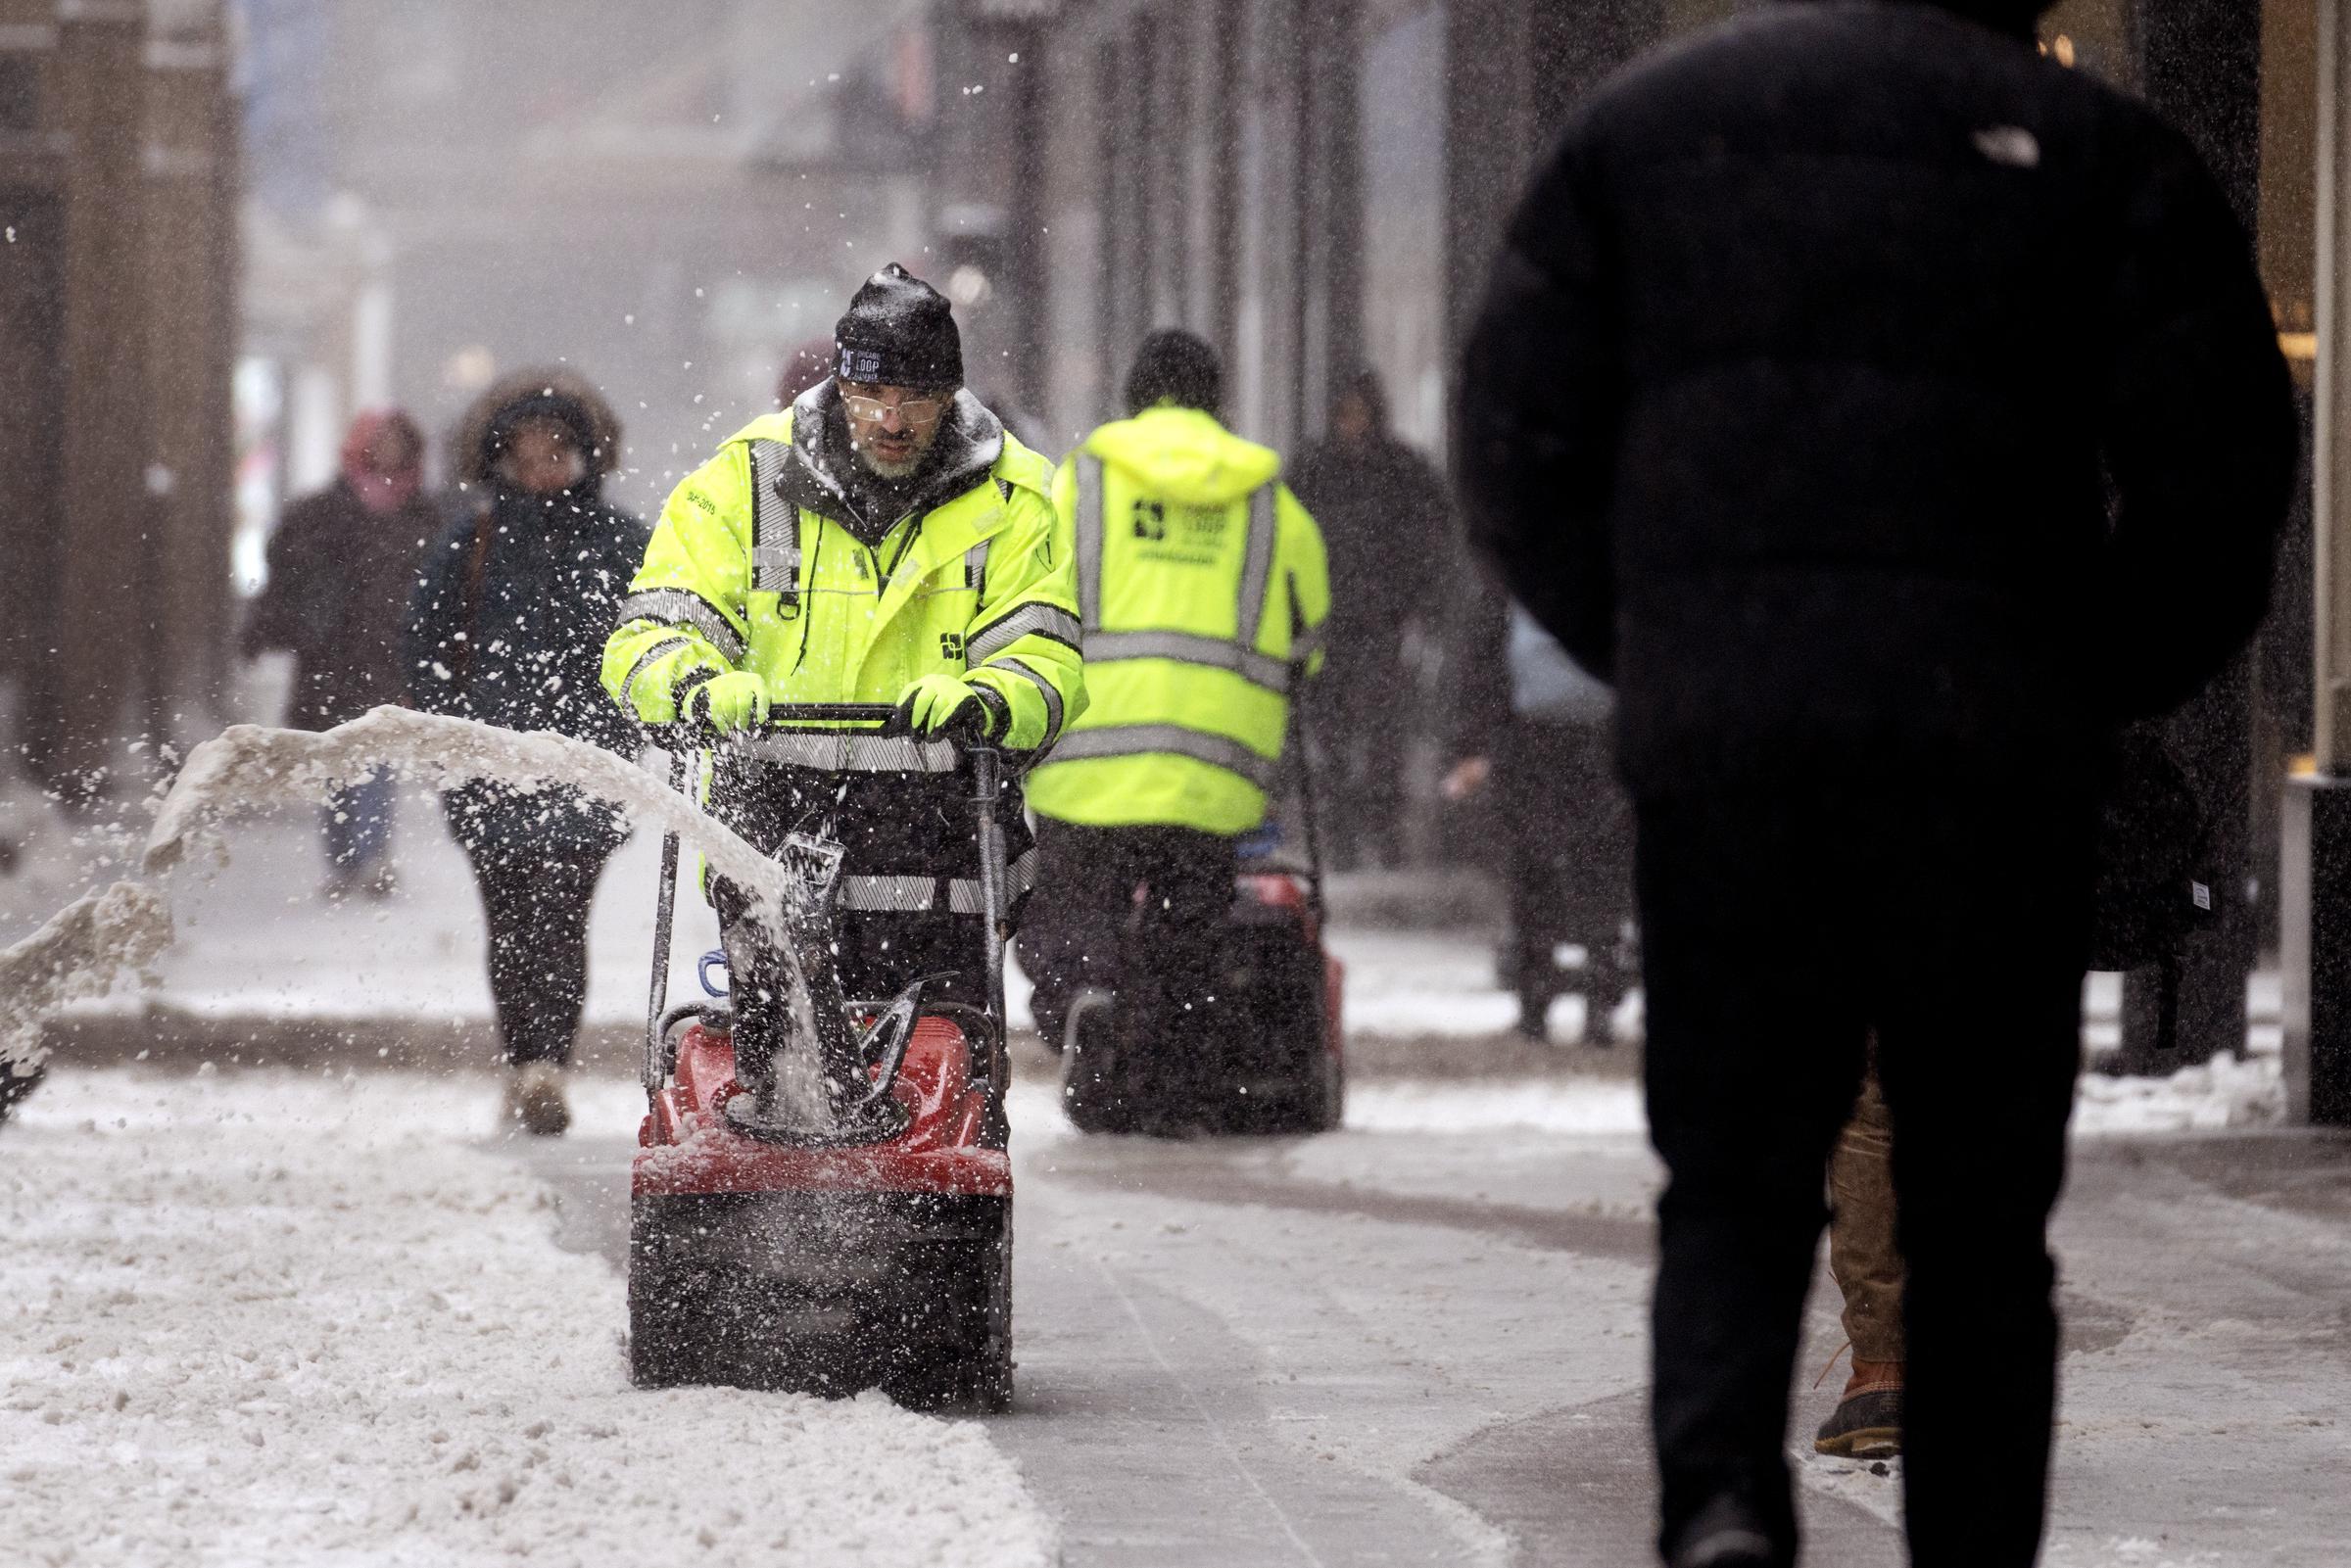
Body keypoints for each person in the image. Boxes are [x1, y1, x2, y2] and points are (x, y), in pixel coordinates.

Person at [1455, 2, 2296, 1564]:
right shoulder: (2096, 154)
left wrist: (1661, 652)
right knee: (1980, 1211)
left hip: (1734, 757)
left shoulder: (1651, 129)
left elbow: (1512, 441)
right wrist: (2083, 680)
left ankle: (1718, 1502)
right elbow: (2226, 471)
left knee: (1731, 1174)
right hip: (1984, 762)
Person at [603, 263, 1082, 1070]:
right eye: (873, 396)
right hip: (773, 828)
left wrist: (989, 699)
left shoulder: (1016, 498)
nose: (892, 420)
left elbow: (1043, 651)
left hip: (940, 831)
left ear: (952, 396)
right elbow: (655, 625)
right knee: (777, 1056)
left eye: (917, 399)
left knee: (938, 1057)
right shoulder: (744, 480)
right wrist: (691, 682)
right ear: (840, 385)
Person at [1017, 329, 1329, 1113]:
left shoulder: (1079, 482)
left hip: (1085, 756)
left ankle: (1085, 997)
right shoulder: (1270, 501)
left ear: (1131, 397)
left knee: (1069, 911)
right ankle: (1158, 1067)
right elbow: (1308, 638)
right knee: (1184, 931)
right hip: (1214, 770)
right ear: (1217, 402)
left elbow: (1025, 595)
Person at [408, 371, 648, 1137]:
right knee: (510, 923)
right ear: (500, 458)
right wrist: (451, 729)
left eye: (558, 450)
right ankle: (525, 1060)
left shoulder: (623, 544)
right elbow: (426, 644)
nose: (544, 465)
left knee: (562, 923)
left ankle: (549, 1065)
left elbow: (659, 639)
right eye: (527, 451)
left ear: (587, 455)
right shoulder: (472, 538)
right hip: (491, 764)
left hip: (588, 762)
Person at [240, 409, 438, 898]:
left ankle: (369, 855)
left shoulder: (426, 516)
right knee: (337, 762)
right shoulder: (320, 513)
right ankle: (347, 856)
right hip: (332, 660)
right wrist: (267, 629)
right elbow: (287, 579)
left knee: (376, 760)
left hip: (391, 658)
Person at [1445, 573, 1636, 1042]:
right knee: (1601, 869)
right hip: (1603, 737)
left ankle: (1535, 1004)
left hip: (1529, 739)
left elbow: (1482, 662)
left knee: (1534, 869)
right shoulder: (1614, 559)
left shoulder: (1517, 565)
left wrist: (1472, 741)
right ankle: (1598, 1003)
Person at [1287, 368, 1450, 870]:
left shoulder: (1400, 472)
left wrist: (1421, 604)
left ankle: (1381, 830)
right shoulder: (1319, 470)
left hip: (1382, 621)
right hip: (1332, 623)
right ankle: (1342, 836)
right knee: (1334, 735)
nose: (1353, 424)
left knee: (1383, 736)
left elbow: (1431, 543)